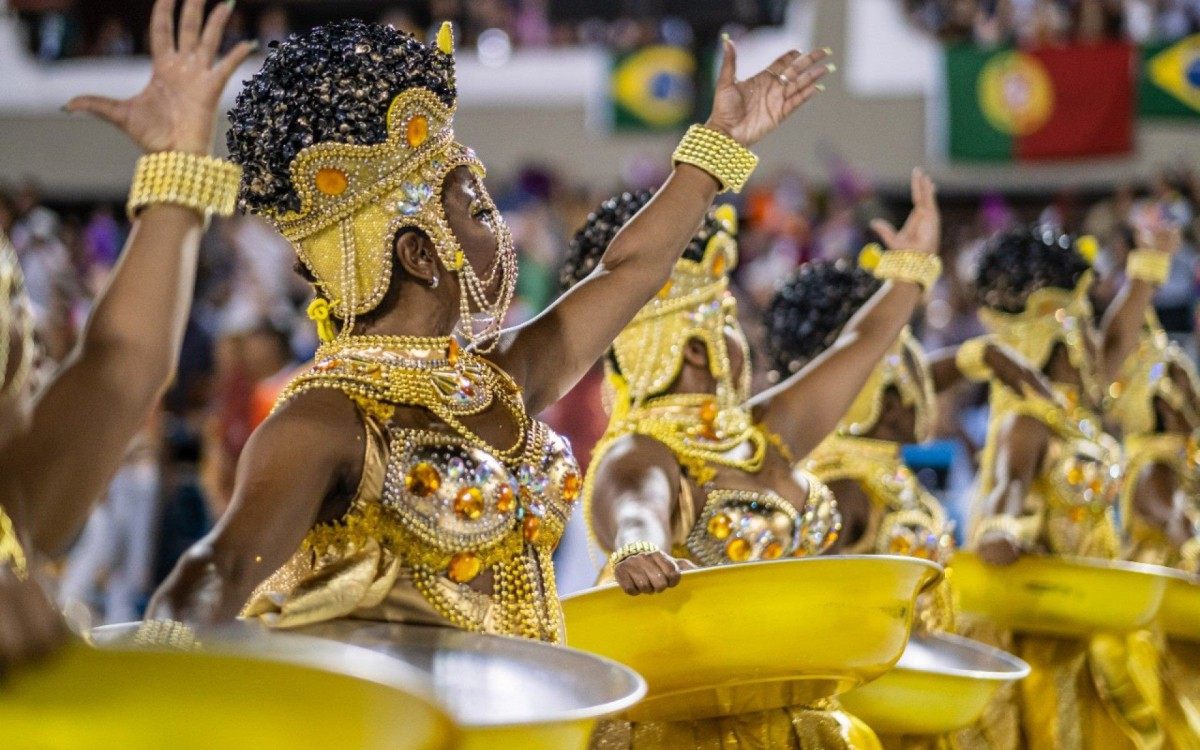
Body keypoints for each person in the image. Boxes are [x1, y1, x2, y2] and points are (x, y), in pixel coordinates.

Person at [146, 17, 832, 643]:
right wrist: (150, 684)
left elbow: (628, 270)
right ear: (419, 253)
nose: (499, 230)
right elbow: (219, 566)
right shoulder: (325, 420)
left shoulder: (498, 380)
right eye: (477, 210)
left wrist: (716, 152)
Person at [562, 170, 941, 749]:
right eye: (730, 323)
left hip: (805, 722)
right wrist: (639, 549)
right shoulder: (640, 454)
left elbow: (861, 346)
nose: (743, 343)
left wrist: (910, 272)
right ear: (695, 344)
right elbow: (637, 511)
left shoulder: (768, 433)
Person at [0, 0, 254, 669]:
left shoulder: (15, 497)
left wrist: (177, 171)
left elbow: (120, 368)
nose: (36, 347)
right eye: (17, 328)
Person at [762, 255, 1051, 750]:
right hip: (881, 712)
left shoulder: (877, 464)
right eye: (887, 389)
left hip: (923, 696)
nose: (907, 400)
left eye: (906, 381)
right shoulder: (841, 485)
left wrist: (974, 359)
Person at [960, 224, 1178, 750]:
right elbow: (1003, 493)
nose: (1089, 347)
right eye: (1073, 334)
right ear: (1044, 341)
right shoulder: (1027, 422)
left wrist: (1147, 267)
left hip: (1097, 619)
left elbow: (1120, 339)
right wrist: (1000, 531)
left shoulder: (1077, 418)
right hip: (1043, 631)